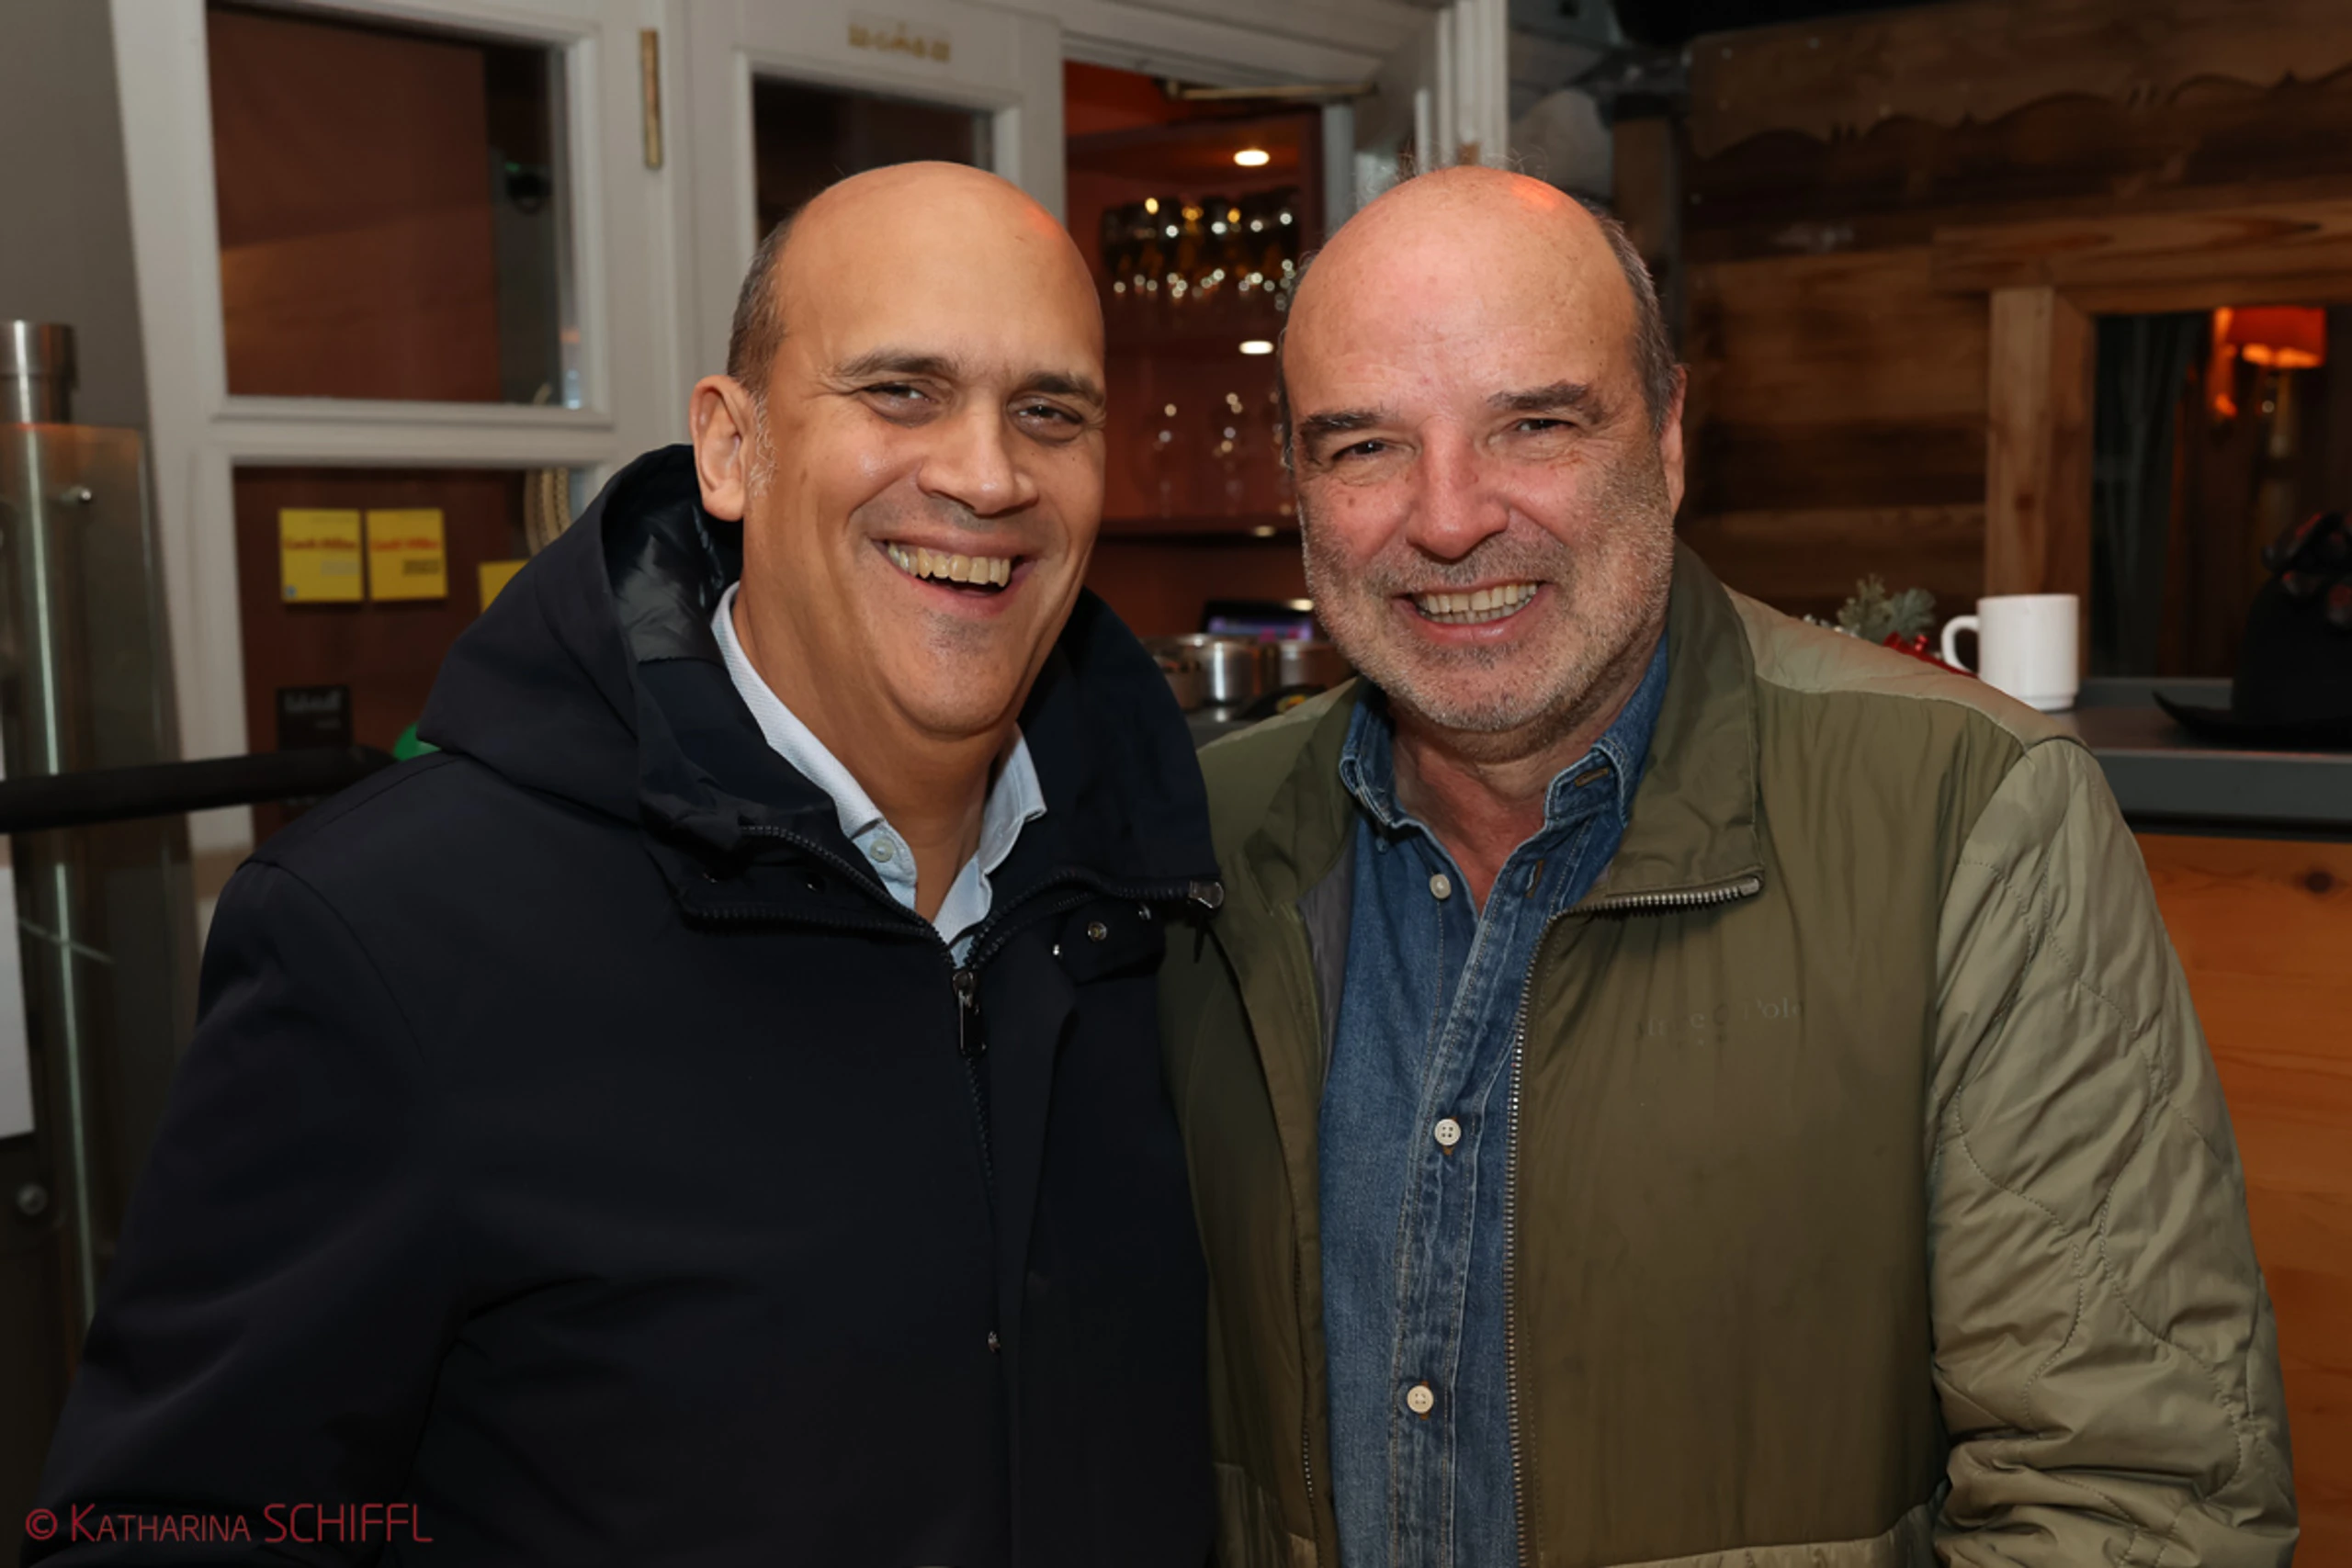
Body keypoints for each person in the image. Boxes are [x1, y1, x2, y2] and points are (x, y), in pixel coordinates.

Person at [31, 163, 1219, 1567]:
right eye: (901, 391)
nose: (987, 473)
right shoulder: (392, 935)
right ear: (731, 447)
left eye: (1050, 413)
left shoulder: (1160, 902)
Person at [1159, 166, 2296, 1568]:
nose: (1448, 517)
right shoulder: (1198, 850)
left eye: (1535, 424)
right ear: (1297, 489)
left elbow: (2139, 1501)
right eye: (1364, 446)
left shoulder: (1971, 816)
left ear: (1669, 436)